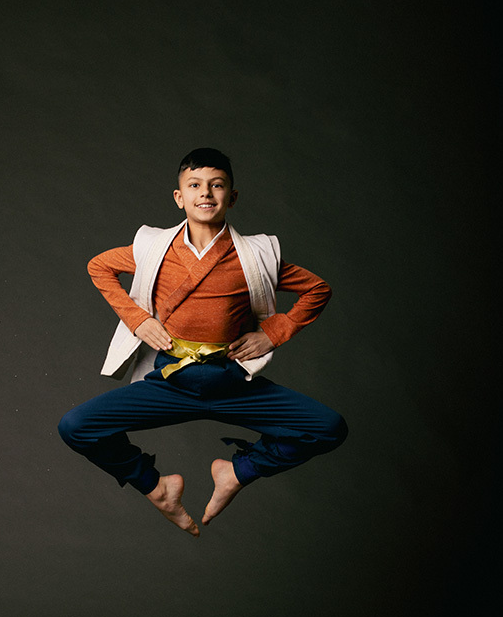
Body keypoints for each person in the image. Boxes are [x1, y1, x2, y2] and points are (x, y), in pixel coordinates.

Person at [58, 148, 347, 537]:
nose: (205, 193)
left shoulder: (255, 255)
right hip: (170, 384)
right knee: (76, 426)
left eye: (217, 185)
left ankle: (237, 472)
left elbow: (317, 290)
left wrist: (272, 333)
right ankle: (157, 487)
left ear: (232, 196)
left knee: (329, 427)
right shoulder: (155, 249)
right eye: (194, 185)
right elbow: (100, 266)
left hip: (232, 384)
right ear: (179, 197)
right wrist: (138, 321)